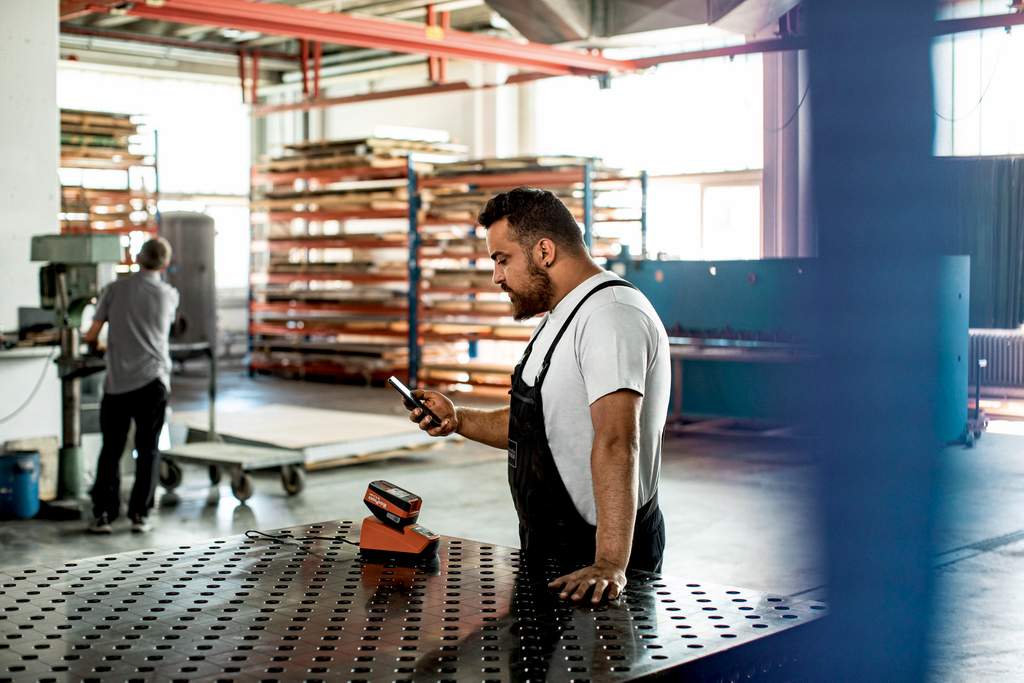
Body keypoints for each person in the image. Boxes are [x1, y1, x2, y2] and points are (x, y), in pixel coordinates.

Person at [404, 186, 671, 604]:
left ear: (544, 251)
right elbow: (537, 421)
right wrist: (458, 417)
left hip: (598, 557)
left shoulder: (611, 315)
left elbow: (618, 440)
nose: (496, 276)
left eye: (502, 259)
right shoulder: (561, 315)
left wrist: (611, 564)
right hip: (552, 547)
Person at [83, 237, 179, 533]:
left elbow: (91, 334)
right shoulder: (169, 295)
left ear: (137, 258)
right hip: (153, 381)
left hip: (117, 384)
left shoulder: (113, 290)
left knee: (111, 449)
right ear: (164, 264)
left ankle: (104, 514)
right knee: (148, 448)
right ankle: (141, 515)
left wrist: (103, 345)